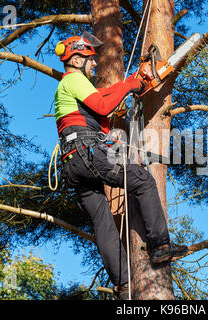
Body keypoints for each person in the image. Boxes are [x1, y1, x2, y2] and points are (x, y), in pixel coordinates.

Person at [53, 32, 187, 299]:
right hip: (86, 153)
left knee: (102, 221)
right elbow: (103, 105)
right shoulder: (74, 80)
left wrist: (133, 83)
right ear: (77, 60)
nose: (94, 64)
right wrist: (130, 84)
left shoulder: (72, 88)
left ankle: (124, 285)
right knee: (142, 179)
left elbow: (101, 98)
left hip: (72, 164)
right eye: (90, 59)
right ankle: (160, 247)